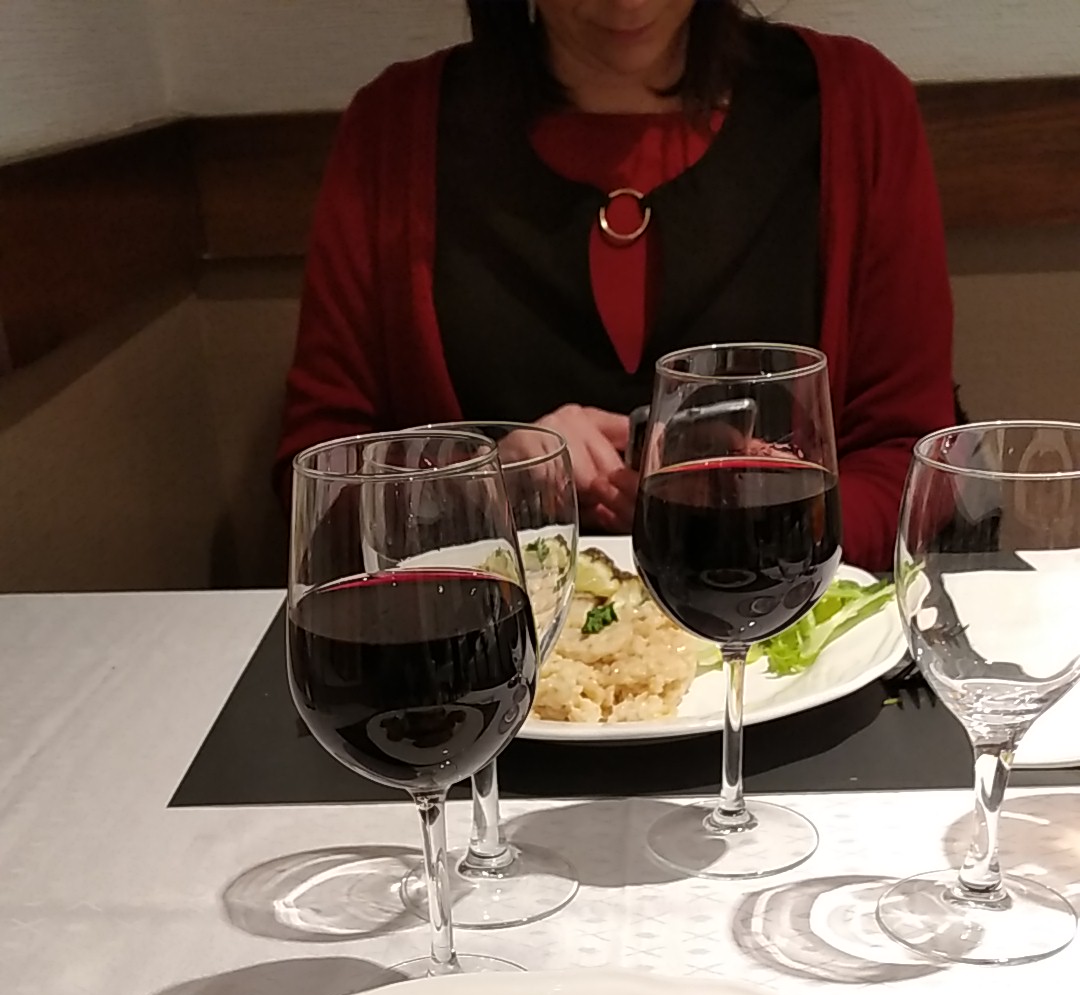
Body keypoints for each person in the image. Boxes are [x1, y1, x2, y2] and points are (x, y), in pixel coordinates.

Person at [275, 0, 956, 571]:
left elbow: (914, 461)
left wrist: (758, 514)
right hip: (485, 656)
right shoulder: (395, 129)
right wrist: (479, 489)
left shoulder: (854, 106)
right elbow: (319, 485)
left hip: (785, 644)